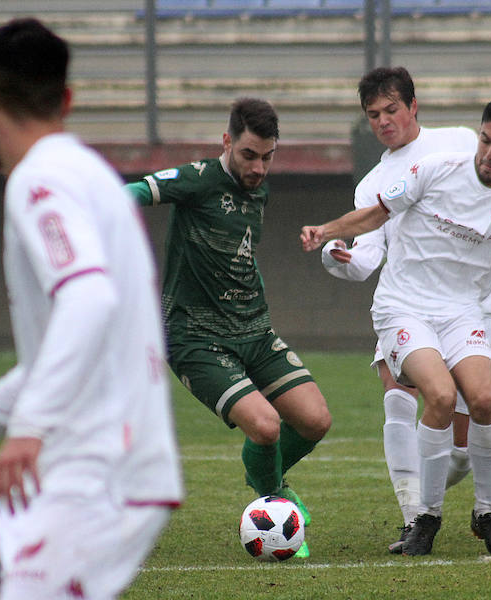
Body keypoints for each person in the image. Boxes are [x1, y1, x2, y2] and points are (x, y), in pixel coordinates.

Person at [0, 18, 183, 599]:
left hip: (96, 474)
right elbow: (76, 344)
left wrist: (26, 428)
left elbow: (88, 299)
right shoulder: (88, 174)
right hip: (57, 470)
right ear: (67, 99)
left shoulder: (41, 180)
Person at [301, 96, 491, 556]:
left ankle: (486, 515)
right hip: (403, 306)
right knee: (441, 396)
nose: (488, 153)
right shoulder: (438, 168)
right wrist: (327, 229)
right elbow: (375, 213)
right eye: (484, 140)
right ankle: (425, 518)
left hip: (465, 311)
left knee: (484, 401)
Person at [125, 98, 331, 559]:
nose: (258, 167)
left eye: (267, 157)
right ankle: (275, 497)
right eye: (248, 155)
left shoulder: (259, 189)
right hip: (196, 337)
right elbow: (137, 192)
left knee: (316, 420)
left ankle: (265, 479)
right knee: (265, 427)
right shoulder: (198, 179)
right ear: (227, 142)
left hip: (254, 330)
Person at [319, 66, 491, 554]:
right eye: (373, 115)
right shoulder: (373, 184)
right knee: (402, 392)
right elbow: (366, 257)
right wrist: (338, 254)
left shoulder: (460, 143)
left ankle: (446, 493)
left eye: (391, 110)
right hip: (407, 305)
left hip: (470, 303)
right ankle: (414, 518)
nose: (383, 121)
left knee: (466, 441)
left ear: (413, 105)